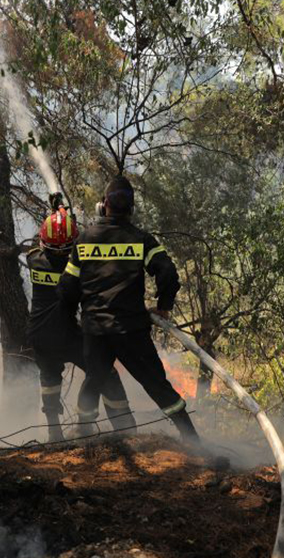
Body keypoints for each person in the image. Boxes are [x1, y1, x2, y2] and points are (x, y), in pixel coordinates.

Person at [59, 175, 200, 443]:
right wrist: (164, 307)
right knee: (157, 386)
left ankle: (83, 438)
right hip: (131, 330)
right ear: (131, 209)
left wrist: (72, 322)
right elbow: (168, 272)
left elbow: (67, 288)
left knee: (93, 382)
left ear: (103, 206)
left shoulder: (84, 240)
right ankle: (192, 440)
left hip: (96, 331)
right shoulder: (141, 240)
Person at [26, 206, 137, 442]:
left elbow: (41, 242)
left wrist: (56, 218)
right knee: (105, 372)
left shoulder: (34, 259)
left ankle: (54, 434)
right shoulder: (78, 268)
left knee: (49, 379)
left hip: (39, 335)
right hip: (67, 334)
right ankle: (124, 427)